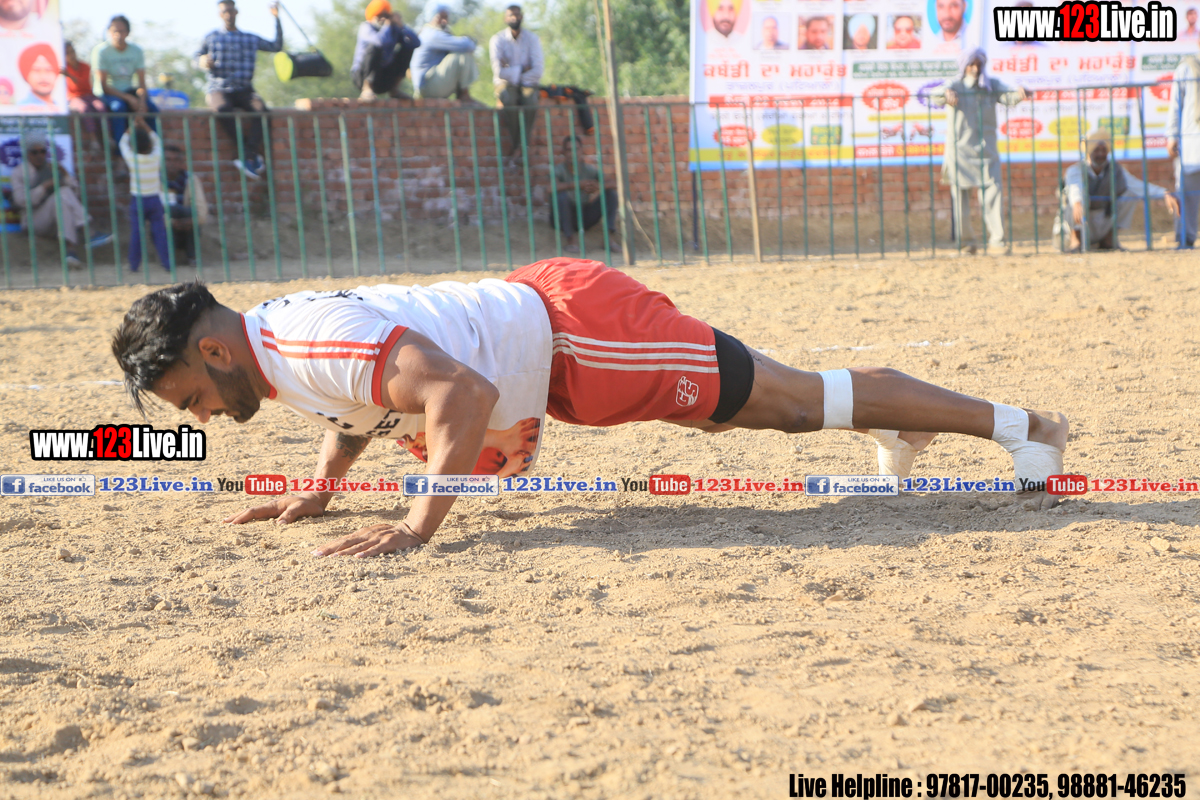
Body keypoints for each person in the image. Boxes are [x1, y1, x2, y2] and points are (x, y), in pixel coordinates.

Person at [111, 259, 1069, 560]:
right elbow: (357, 402)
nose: (200, 418)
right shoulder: (273, 353)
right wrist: (323, 488)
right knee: (761, 407)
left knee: (786, 401)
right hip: (559, 353)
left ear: (213, 351)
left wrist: (414, 527)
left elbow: (459, 393)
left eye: (192, 398)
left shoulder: (303, 339)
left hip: (581, 335)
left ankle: (1027, 428)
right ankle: (903, 422)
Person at [930, 49, 1027, 254]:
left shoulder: (990, 86)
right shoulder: (954, 85)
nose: (975, 69)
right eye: (971, 64)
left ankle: (997, 242)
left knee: (993, 195)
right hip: (960, 152)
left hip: (986, 151)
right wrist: (946, 94)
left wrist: (1020, 93)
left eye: (978, 64)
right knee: (960, 199)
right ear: (964, 66)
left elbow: (1009, 96)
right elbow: (935, 95)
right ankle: (966, 243)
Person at [195, 0, 283, 180]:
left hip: (244, 89)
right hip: (219, 88)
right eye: (225, 11)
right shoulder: (211, 37)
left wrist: (276, 19)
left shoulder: (249, 38)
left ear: (236, 12)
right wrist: (202, 61)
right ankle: (248, 154)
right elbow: (196, 57)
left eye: (231, 10)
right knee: (222, 110)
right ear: (220, 15)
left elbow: (276, 46)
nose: (228, 14)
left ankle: (248, 155)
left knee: (262, 112)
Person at [1053, 130, 1179, 252]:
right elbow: (1076, 188)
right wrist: (1077, 202)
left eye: (1104, 150)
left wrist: (1164, 193)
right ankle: (1077, 240)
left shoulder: (1115, 169)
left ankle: (1109, 239)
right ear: (1089, 151)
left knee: (1130, 193)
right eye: (1096, 150)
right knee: (1076, 199)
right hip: (1078, 223)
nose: (1100, 154)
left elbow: (1136, 185)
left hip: (1103, 221)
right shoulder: (1076, 170)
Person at [9, 133, 90, 267]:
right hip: (34, 221)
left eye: (43, 151)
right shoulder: (19, 172)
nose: (39, 155)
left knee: (64, 194)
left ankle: (71, 252)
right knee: (61, 195)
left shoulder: (52, 167)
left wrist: (65, 173)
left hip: (58, 222)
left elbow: (76, 193)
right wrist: (45, 186)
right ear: (27, 154)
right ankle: (87, 230)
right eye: (34, 152)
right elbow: (21, 201)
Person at [91, 15, 160, 147]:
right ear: (109, 32)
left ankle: (155, 148)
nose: (118, 35)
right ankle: (120, 150)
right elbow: (104, 85)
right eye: (114, 31)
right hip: (108, 94)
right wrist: (129, 99)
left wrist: (142, 102)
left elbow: (141, 82)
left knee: (152, 109)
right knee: (119, 108)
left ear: (128, 32)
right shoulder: (101, 51)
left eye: (121, 31)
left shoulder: (136, 50)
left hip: (129, 91)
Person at [119, 115, 171, 273]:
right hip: (154, 200)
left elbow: (122, 143)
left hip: (138, 200)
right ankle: (167, 263)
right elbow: (158, 141)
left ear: (133, 146)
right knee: (160, 232)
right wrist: (146, 126)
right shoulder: (155, 158)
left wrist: (132, 126)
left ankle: (134, 265)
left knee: (137, 233)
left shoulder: (132, 159)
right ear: (149, 145)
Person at [490, 5, 543, 157]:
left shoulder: (532, 39)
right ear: (505, 18)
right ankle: (518, 147)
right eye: (511, 15)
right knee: (508, 99)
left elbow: (538, 70)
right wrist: (522, 69)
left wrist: (513, 72)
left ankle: (522, 147)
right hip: (505, 83)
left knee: (531, 100)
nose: (514, 18)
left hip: (527, 83)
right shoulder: (498, 40)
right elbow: (499, 72)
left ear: (522, 17)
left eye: (517, 15)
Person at [551, 135, 617, 253]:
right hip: (562, 217)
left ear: (582, 151)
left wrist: (598, 186)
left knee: (611, 194)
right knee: (561, 196)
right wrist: (576, 185)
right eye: (569, 150)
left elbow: (614, 183)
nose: (573, 153)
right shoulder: (558, 170)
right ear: (564, 152)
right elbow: (550, 188)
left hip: (584, 216)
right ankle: (571, 241)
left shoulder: (589, 170)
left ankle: (608, 239)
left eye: (576, 149)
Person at [352, 0, 420, 101]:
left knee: (407, 49)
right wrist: (387, 26)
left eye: (386, 16)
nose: (383, 19)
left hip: (383, 78)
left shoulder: (393, 30)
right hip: (361, 77)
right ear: (373, 16)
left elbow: (415, 43)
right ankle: (367, 88)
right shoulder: (366, 27)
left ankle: (394, 89)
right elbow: (379, 42)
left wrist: (401, 26)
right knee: (375, 48)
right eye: (379, 16)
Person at [1167, 42, 1200, 248]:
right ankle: (1185, 237)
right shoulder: (1187, 67)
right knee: (1186, 192)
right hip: (1192, 141)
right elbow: (1175, 104)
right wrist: (1172, 135)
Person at [410, 4, 478, 103]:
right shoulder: (431, 34)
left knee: (458, 51)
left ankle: (462, 95)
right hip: (427, 86)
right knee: (462, 55)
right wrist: (469, 40)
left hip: (431, 83)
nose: (444, 21)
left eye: (446, 17)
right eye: (440, 17)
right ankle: (464, 95)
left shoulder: (432, 32)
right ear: (431, 17)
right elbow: (467, 45)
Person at [165, 144, 210, 266]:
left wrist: (190, 221)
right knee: (171, 210)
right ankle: (167, 257)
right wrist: (172, 223)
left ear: (181, 162)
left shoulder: (191, 180)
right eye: (168, 160)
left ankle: (192, 257)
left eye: (176, 160)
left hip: (187, 226)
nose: (171, 164)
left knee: (190, 213)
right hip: (166, 228)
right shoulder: (156, 180)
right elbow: (154, 214)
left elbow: (202, 211)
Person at [63, 41, 107, 148]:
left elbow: (83, 84)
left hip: (88, 95)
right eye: (67, 53)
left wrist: (69, 75)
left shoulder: (85, 66)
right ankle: (93, 140)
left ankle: (108, 137)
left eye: (72, 51)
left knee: (101, 107)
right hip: (73, 97)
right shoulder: (64, 69)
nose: (71, 55)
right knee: (84, 108)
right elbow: (72, 89)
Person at [16, 41, 57, 107]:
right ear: (26, 75)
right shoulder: (19, 108)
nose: (43, 77)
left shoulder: (62, 107)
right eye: (36, 70)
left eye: (48, 70)